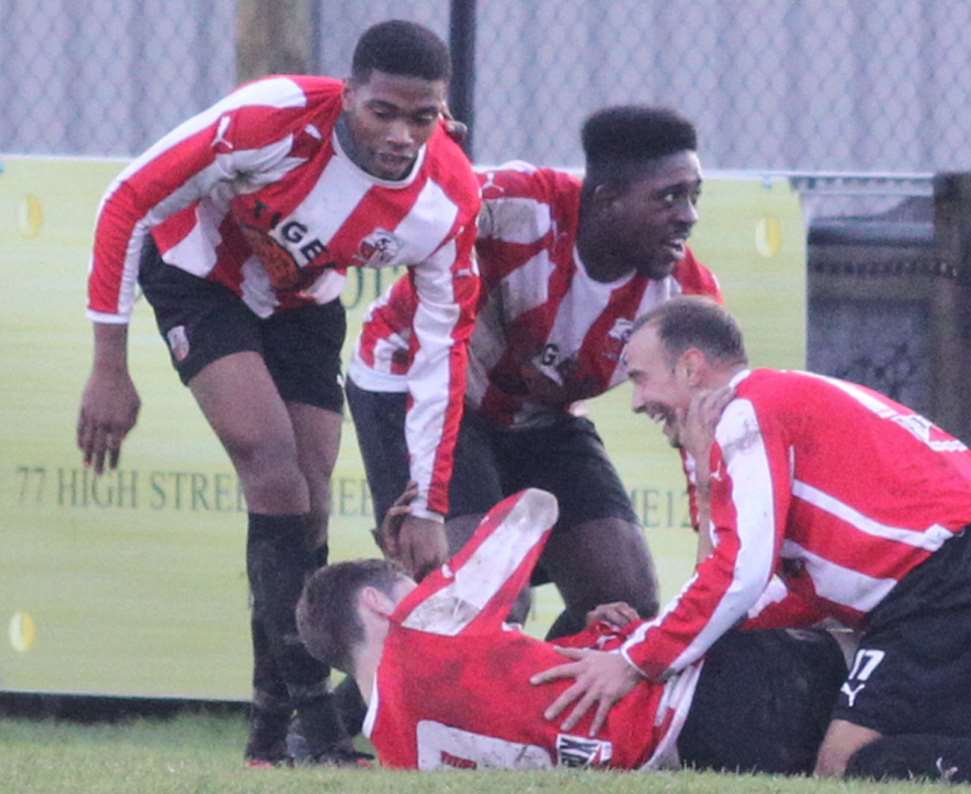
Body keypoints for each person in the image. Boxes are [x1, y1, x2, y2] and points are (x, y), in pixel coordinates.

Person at [531, 296, 971, 790]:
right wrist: (655, 634)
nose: (636, 399)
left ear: (692, 365)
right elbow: (776, 592)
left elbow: (739, 570)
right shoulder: (796, 399)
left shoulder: (744, 411)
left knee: (848, 766)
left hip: (949, 581)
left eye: (643, 379)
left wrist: (635, 661)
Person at [75, 20, 481, 766]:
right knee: (269, 463)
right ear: (347, 95)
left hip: (302, 305)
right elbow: (126, 199)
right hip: (197, 275)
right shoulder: (273, 117)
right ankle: (317, 730)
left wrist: (428, 501)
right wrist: (110, 363)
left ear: (444, 115)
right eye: (381, 112)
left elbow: (441, 353)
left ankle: (268, 733)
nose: (400, 134)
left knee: (311, 497)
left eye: (420, 118)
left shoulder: (448, 200)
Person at [346, 105, 722, 635]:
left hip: (539, 416)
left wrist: (719, 545)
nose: (688, 215)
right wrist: (431, 156)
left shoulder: (685, 297)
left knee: (626, 603)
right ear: (608, 200)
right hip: (416, 384)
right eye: (669, 197)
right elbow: (422, 208)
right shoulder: (525, 206)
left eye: (693, 196)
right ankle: (335, 714)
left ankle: (543, 715)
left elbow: (703, 437)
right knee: (485, 599)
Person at [297, 487, 847, 773]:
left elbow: (517, 710)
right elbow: (533, 508)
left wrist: (584, 643)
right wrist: (435, 574)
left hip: (701, 749)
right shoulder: (424, 632)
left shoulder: (396, 753)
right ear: (375, 602)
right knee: (865, 647)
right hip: (714, 694)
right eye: (401, 585)